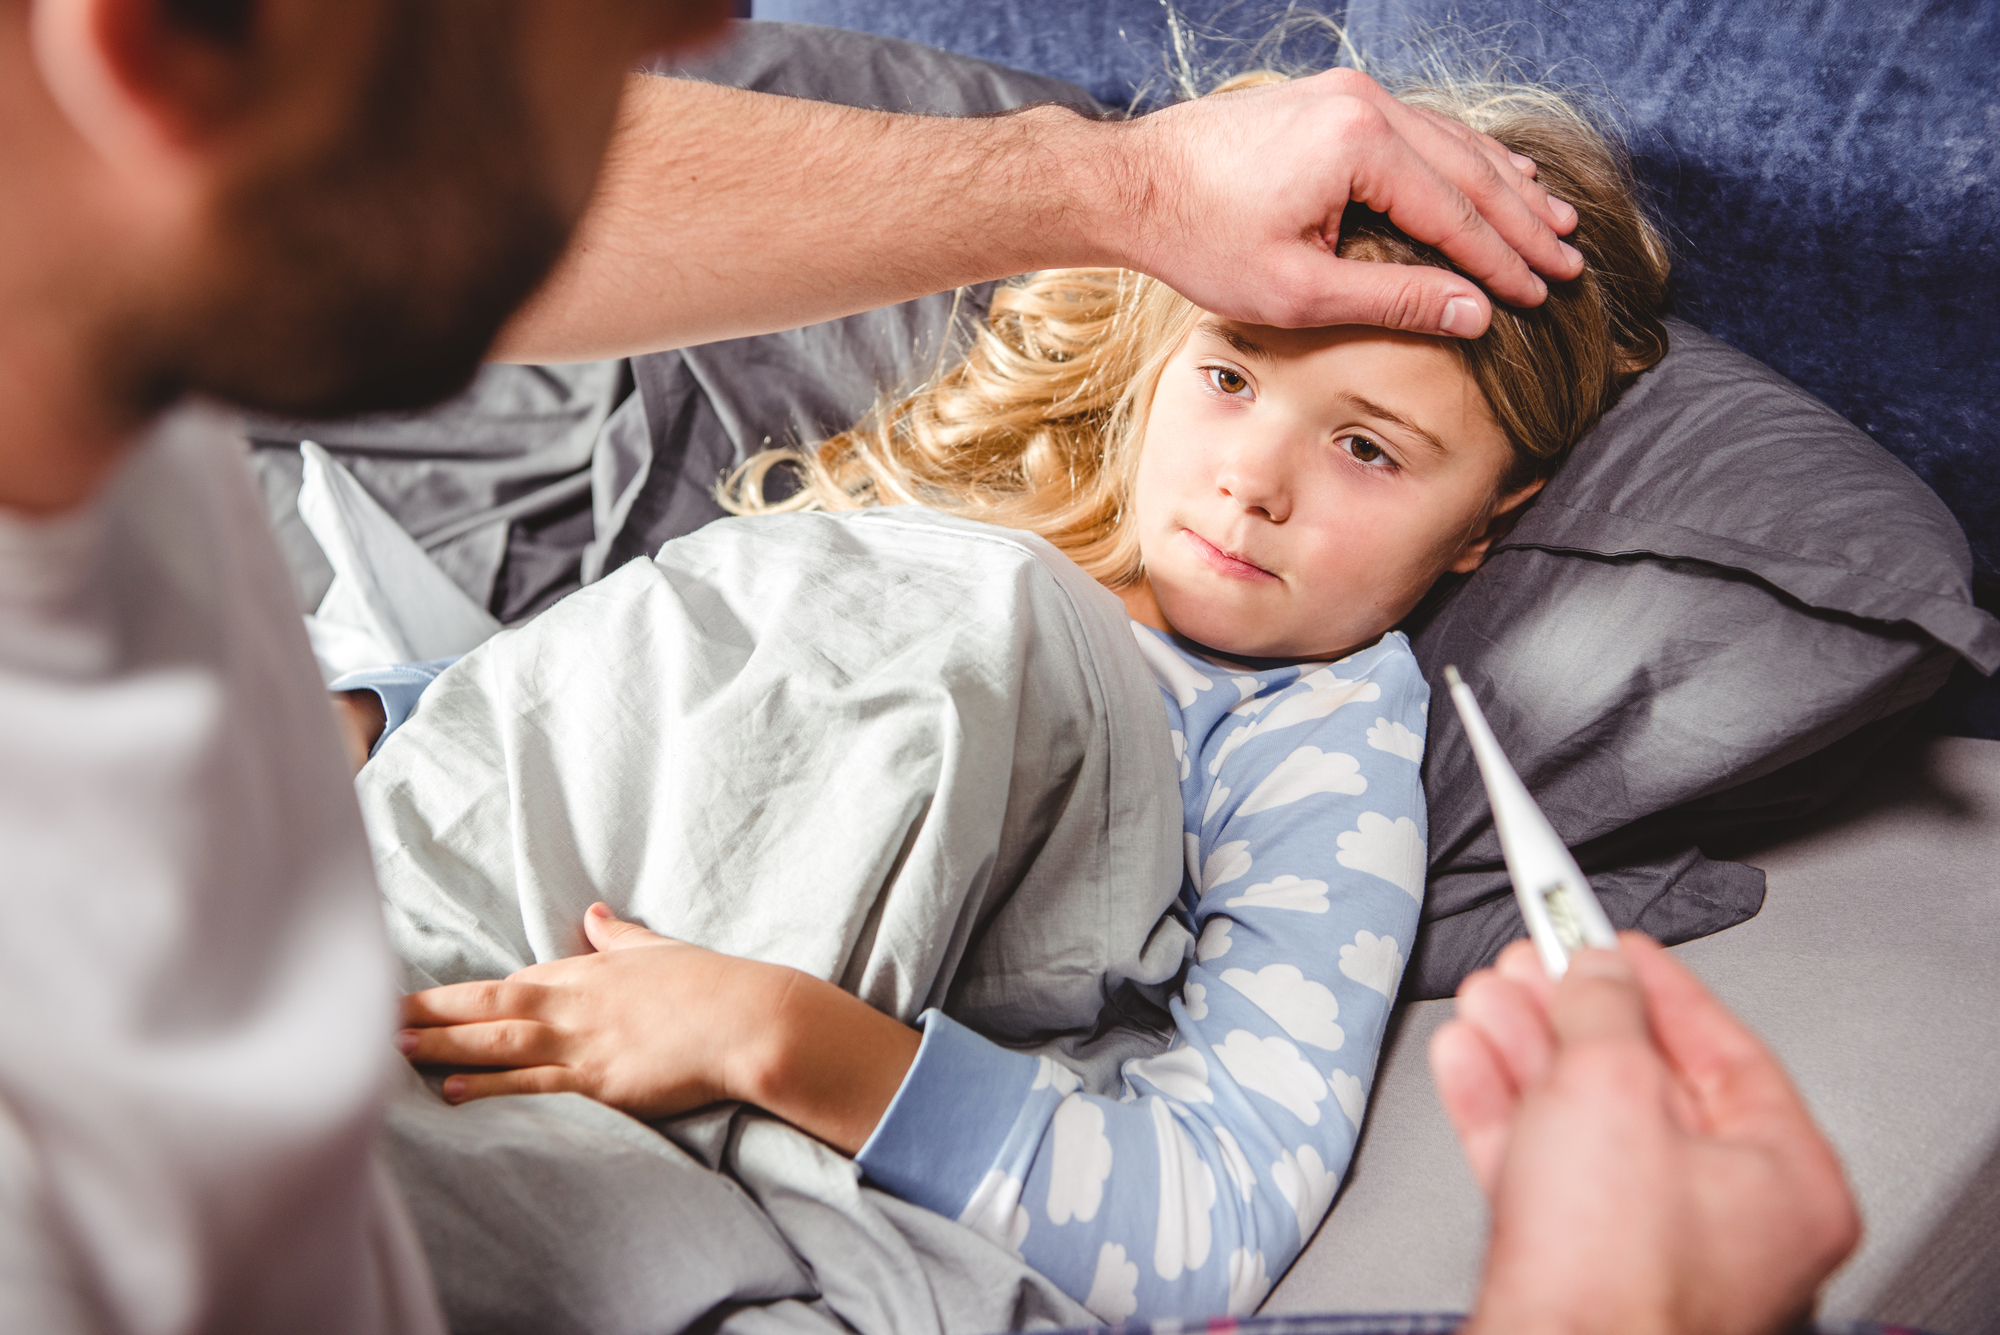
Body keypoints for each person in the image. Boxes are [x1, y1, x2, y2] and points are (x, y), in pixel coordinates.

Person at [0, 0, 1853, 1329]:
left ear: (1487, 528)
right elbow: (634, 696)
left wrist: (795, 1043)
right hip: (391, 899)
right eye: (1226, 377)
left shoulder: (1311, 726)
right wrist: (382, 721)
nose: (1254, 479)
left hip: (602, 1052)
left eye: (1369, 447)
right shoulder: (951, 528)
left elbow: (1210, 1206)